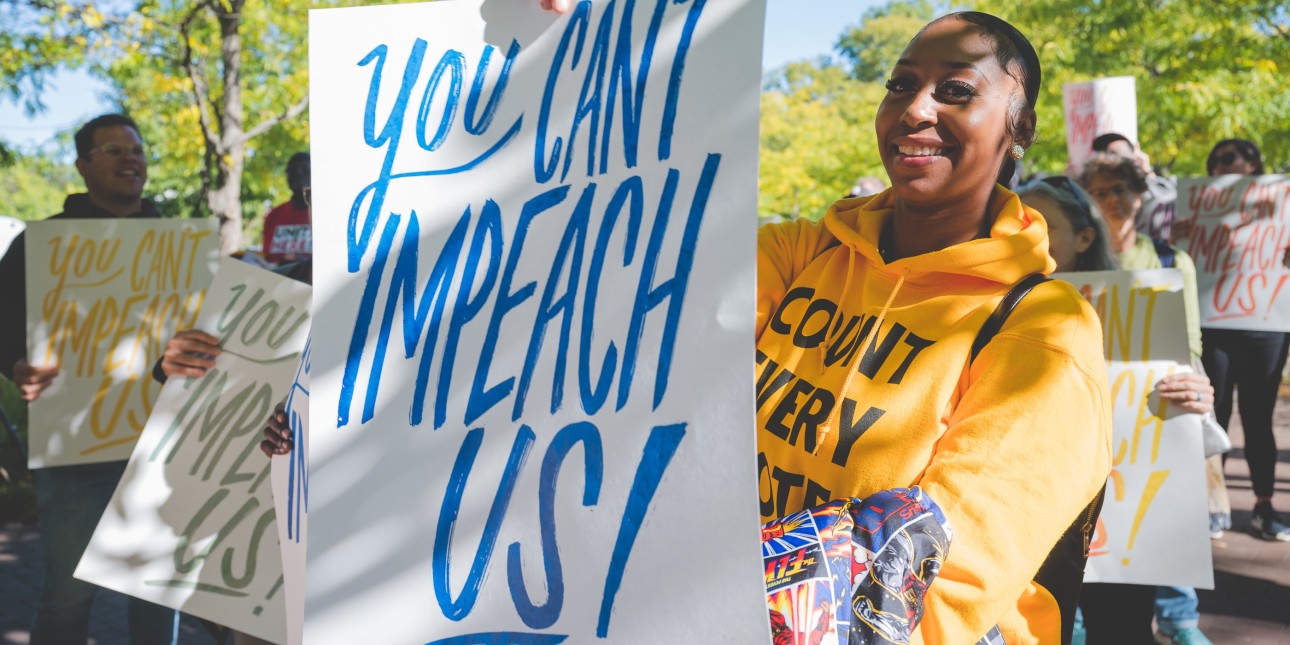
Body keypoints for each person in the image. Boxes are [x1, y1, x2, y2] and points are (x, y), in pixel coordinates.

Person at [548, 3, 1112, 641]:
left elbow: (930, 573)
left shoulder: (1045, 329)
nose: (917, 109)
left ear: (1020, 126)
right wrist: (572, 50)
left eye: (957, 91)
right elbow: (620, 324)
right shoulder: (799, 255)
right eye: (900, 85)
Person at [0, 114, 180, 644]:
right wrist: (16, 366)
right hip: (76, 450)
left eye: (138, 150)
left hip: (165, 447)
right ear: (82, 166)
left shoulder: (179, 246)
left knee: (157, 600)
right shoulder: (43, 243)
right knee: (66, 597)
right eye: (114, 151)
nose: (131, 159)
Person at [1020, 173, 1215, 645]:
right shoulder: (983, 306)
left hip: (1122, 521)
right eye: (1015, 222)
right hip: (1026, 516)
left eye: (1042, 225)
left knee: (1121, 630)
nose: (1024, 234)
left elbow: (1177, 386)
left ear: (1084, 237)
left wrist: (1195, 396)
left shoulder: (1138, 309)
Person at [1187, 139, 1290, 542]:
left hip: (1265, 326)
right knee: (1216, 415)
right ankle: (1214, 504)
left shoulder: (1281, 209)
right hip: (1213, 327)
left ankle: (1264, 506)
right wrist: (1183, 237)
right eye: (1222, 168)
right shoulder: (1193, 211)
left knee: (1258, 417)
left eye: (1241, 171)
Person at [1090, 132, 1177, 241]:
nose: (1112, 199)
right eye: (1101, 193)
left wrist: (1147, 173)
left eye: (1114, 154)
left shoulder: (1162, 191)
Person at [261, 152, 312, 266]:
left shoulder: (326, 214)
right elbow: (266, 258)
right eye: (292, 171)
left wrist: (304, 262)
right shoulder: (274, 215)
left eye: (305, 169)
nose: (298, 174)